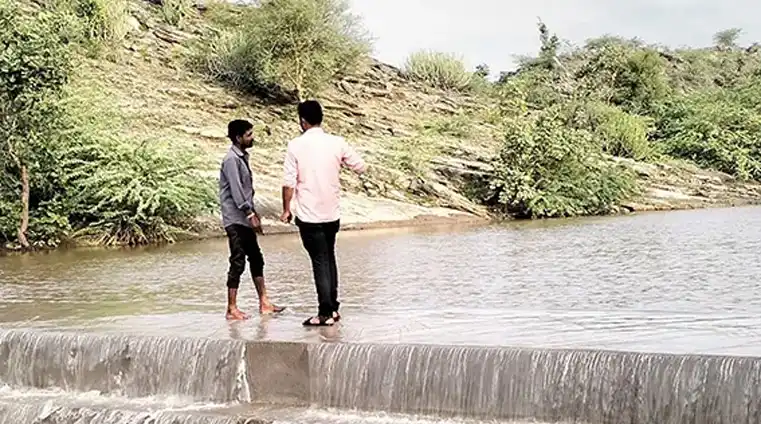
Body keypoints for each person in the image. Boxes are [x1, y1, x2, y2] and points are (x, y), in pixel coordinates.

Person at [280, 100, 367, 326]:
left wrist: (286, 209)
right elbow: (360, 166)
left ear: (302, 121)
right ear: (321, 118)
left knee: (319, 261)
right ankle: (333, 308)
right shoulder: (337, 142)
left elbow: (289, 182)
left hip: (309, 215)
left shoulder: (295, 145)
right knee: (329, 257)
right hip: (331, 213)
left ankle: (325, 313)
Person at [219, 119, 285, 320]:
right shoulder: (231, 159)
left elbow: (247, 191)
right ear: (238, 138)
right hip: (235, 218)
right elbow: (237, 191)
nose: (252, 137)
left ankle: (264, 302)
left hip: (245, 218)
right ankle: (231, 308)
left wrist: (253, 215)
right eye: (248, 135)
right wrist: (249, 213)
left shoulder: (242, 157)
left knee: (256, 258)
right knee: (238, 261)